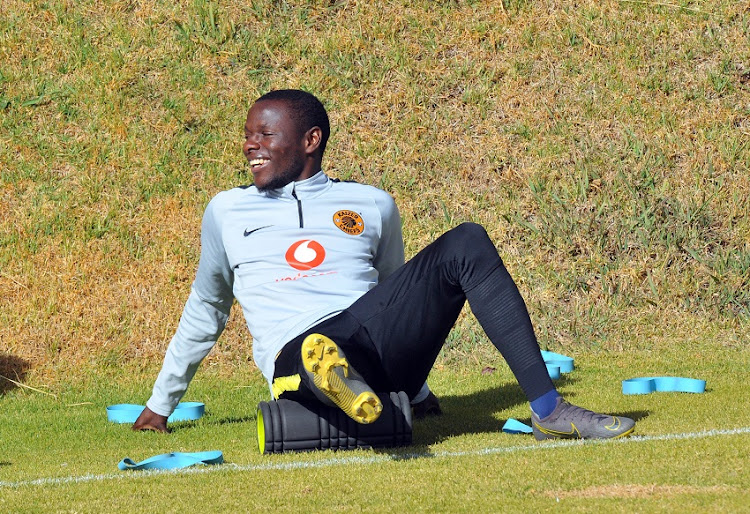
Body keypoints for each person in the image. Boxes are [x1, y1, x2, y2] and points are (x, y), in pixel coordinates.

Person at [133, 89, 635, 441]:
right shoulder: (227, 209)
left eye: (264, 134)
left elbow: (397, 297)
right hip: (293, 351)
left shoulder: (371, 204)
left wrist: (415, 388)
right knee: (316, 348)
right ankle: (330, 370)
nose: (250, 145)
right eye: (247, 135)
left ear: (310, 141)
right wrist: (160, 405)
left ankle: (550, 410)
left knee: (468, 242)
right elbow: (207, 307)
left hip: (378, 344)